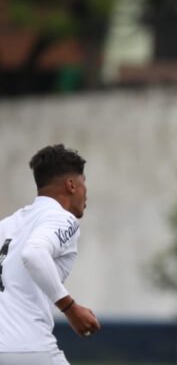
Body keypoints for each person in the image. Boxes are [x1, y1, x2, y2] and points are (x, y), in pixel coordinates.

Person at [0, 144, 101, 365]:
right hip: (28, 350)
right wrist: (70, 308)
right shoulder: (62, 219)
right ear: (72, 185)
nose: (87, 193)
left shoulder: (7, 225)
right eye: (84, 183)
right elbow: (34, 254)